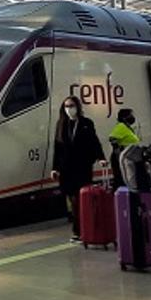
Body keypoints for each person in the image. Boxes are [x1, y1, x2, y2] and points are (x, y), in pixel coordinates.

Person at [51, 96, 104, 243]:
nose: (69, 109)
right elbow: (57, 148)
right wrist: (54, 168)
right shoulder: (61, 124)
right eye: (66, 106)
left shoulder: (86, 123)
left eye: (72, 105)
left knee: (80, 200)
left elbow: (95, 142)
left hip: (83, 167)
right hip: (66, 170)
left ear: (78, 106)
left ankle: (81, 231)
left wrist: (101, 157)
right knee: (73, 200)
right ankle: (79, 231)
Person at [108, 108, 140, 187]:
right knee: (122, 181)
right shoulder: (121, 126)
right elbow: (112, 138)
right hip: (122, 158)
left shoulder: (127, 127)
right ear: (124, 117)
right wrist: (119, 150)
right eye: (131, 115)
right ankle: (123, 198)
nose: (132, 117)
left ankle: (130, 197)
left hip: (129, 157)